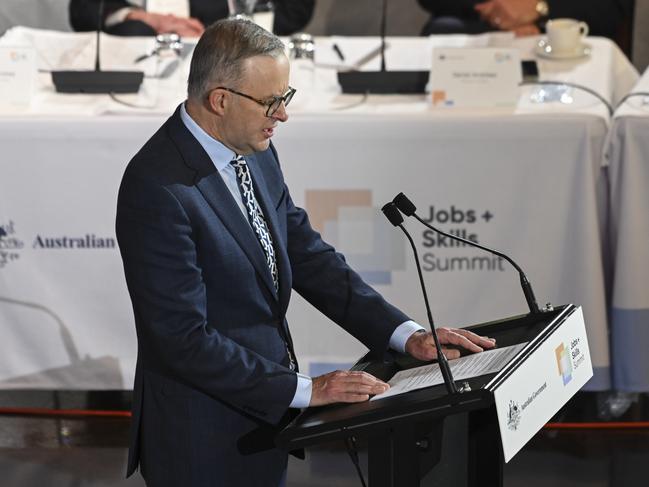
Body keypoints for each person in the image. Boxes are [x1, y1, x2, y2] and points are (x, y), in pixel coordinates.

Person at [115, 18, 496, 487]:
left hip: (265, 420)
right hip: (202, 434)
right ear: (220, 100)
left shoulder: (252, 147)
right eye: (271, 102)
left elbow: (308, 255)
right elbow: (180, 338)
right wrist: (307, 391)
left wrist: (404, 336)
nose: (283, 115)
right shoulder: (158, 187)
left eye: (285, 97)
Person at [69, 0, 315, 37]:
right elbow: (83, 10)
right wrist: (139, 17)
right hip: (144, 55)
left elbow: (295, 11)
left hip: (244, 55)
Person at [417, 0, 624, 39]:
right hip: (472, 35)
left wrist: (540, 9)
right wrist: (500, 12)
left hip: (561, 42)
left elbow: (609, 10)